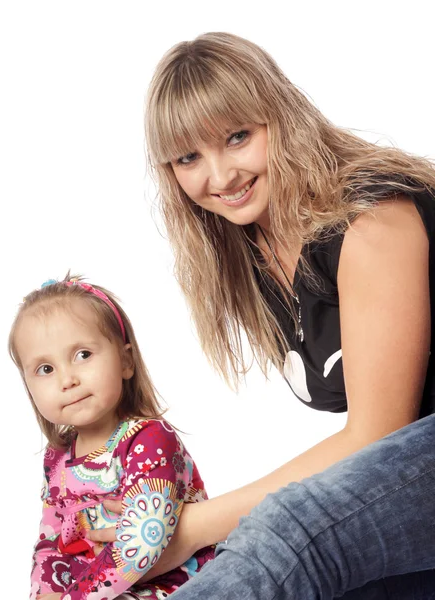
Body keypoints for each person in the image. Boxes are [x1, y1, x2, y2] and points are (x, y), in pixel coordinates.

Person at [88, 32, 435, 598]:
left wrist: (184, 529)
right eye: (189, 157)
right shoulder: (259, 247)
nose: (221, 176)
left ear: (281, 115)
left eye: (238, 137)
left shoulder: (372, 223)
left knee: (289, 533)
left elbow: (377, 438)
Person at [8, 275, 214, 600]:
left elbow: (145, 539)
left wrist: (73, 597)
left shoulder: (149, 440)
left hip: (171, 587)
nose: (67, 379)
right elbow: (51, 541)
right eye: (45, 369)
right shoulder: (57, 458)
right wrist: (44, 594)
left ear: (126, 361)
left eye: (83, 355)